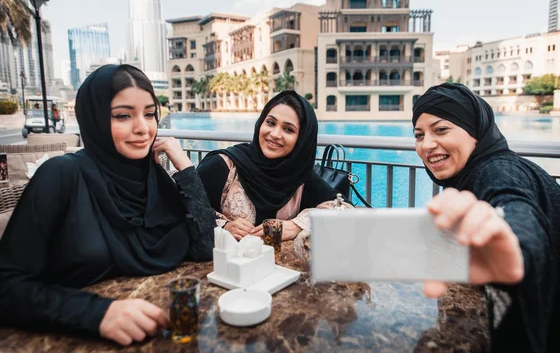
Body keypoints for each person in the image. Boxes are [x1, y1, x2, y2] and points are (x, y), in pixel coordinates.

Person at [0, 64, 216, 346]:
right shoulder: (62, 175)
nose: (142, 128)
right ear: (95, 118)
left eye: (150, 114)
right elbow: (7, 286)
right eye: (123, 116)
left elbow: (204, 246)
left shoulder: (154, 179)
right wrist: (98, 313)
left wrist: (185, 167)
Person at [412, 82, 560, 352]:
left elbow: (514, 207)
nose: (427, 145)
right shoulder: (484, 171)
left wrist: (514, 241)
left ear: (476, 131)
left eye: (441, 129)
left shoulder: (498, 171)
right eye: (419, 135)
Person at [195, 90, 345, 242]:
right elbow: (185, 209)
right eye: (271, 123)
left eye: (288, 129)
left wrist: (296, 225)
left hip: (273, 265)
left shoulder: (299, 176)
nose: (275, 134)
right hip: (221, 263)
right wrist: (224, 226)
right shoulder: (225, 165)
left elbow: (344, 209)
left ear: (301, 140)